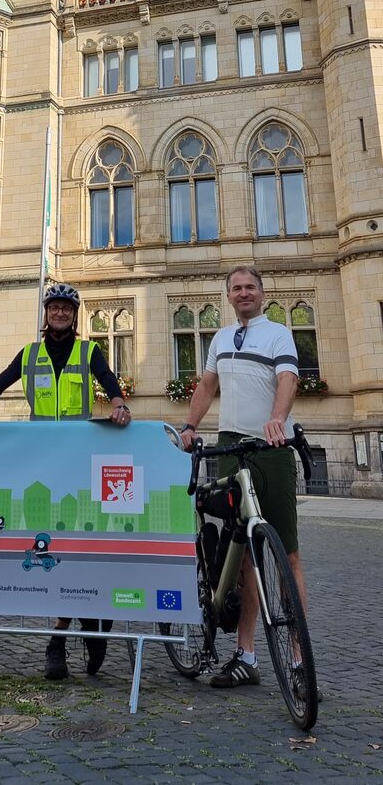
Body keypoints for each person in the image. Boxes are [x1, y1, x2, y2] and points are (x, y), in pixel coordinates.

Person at [0, 281, 131, 680]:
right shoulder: (28, 355)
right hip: (43, 468)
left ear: (75, 316)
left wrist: (119, 405)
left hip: (79, 465)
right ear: (45, 314)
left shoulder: (88, 351)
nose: (60, 313)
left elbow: (109, 381)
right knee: (53, 548)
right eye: (54, 307)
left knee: (89, 545)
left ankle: (96, 626)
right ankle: (59, 639)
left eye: (66, 308)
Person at [181, 265, 315, 700]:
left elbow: (288, 378)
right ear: (229, 295)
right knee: (245, 557)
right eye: (236, 288)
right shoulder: (220, 338)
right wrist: (188, 427)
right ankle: (247, 655)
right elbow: (207, 384)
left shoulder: (277, 332)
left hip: (270, 447)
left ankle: (298, 659)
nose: (243, 293)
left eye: (250, 287)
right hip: (229, 446)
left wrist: (277, 419)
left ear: (262, 292)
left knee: (287, 553)